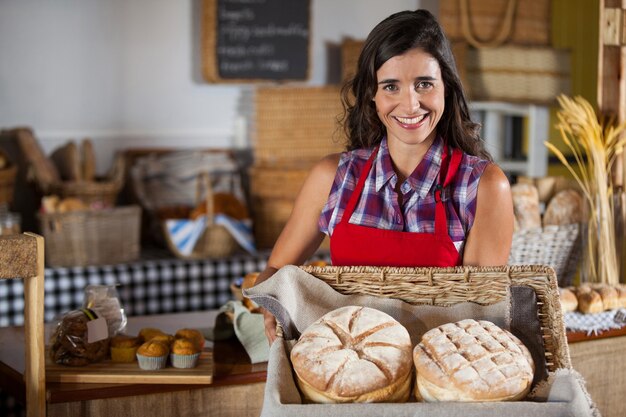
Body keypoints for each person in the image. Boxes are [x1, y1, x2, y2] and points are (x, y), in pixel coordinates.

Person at [255, 9, 514, 343]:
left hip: (438, 372)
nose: (410, 104)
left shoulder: (483, 186)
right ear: (372, 96)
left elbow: (482, 317)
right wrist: (271, 304)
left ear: (446, 90)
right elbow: (276, 271)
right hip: (349, 367)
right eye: (391, 86)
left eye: (424, 84)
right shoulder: (333, 177)